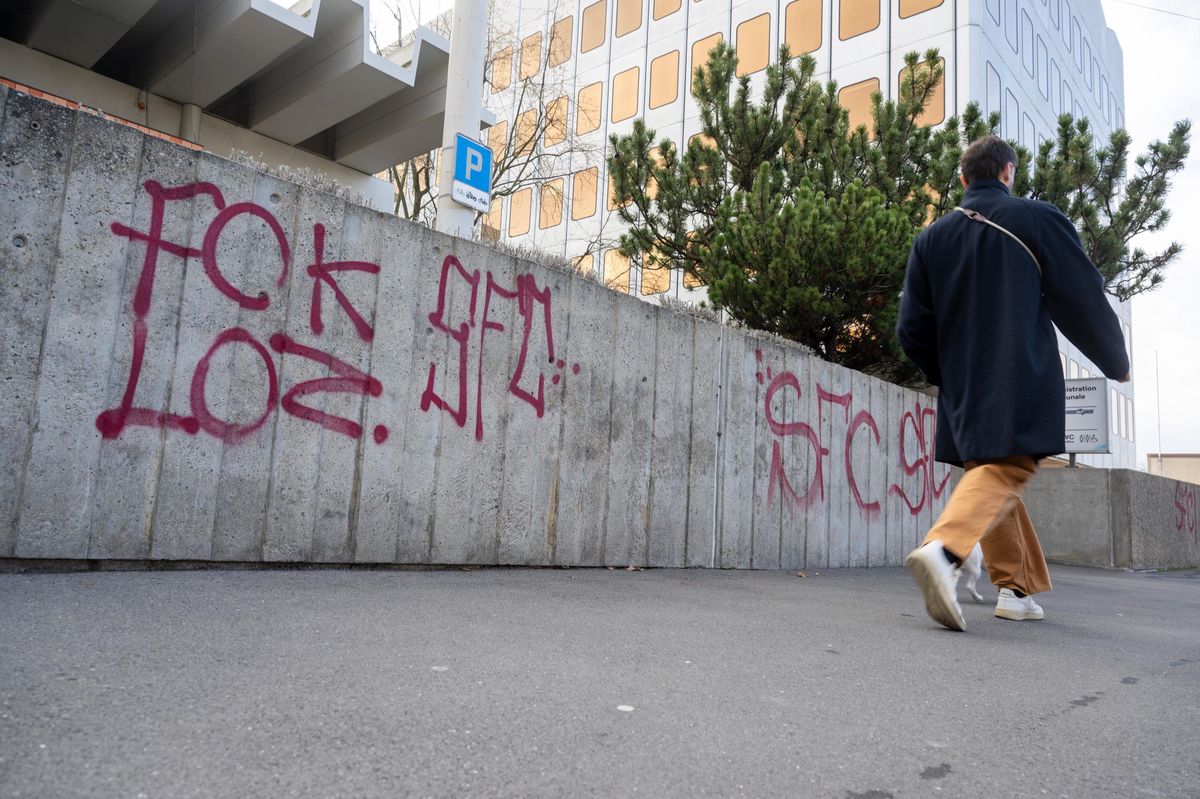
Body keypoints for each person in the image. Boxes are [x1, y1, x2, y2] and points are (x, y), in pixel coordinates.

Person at [896, 134, 1130, 631]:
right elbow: (1082, 295)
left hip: (961, 383)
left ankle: (1016, 590)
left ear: (963, 180)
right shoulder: (1034, 218)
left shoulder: (930, 239)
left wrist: (946, 375)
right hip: (1018, 368)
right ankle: (943, 551)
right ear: (1007, 173)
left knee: (990, 472)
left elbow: (910, 330)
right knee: (1010, 468)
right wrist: (1115, 360)